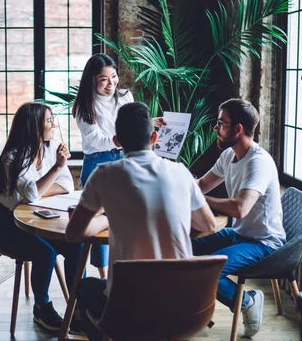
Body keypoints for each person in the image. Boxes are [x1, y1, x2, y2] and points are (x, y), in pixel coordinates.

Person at [66, 102, 216, 340]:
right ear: (154, 137)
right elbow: (208, 226)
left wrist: (108, 218)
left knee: (85, 288)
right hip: (185, 309)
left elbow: (73, 233)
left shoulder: (104, 175)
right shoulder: (181, 172)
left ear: (117, 141)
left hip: (127, 310)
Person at [193, 98, 286, 338]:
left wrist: (200, 201)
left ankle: (247, 301)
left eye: (220, 123)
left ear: (238, 129)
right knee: (181, 247)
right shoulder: (228, 156)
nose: (215, 128)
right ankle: (191, 310)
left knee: (206, 271)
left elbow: (240, 208)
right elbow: (201, 185)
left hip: (264, 243)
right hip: (240, 234)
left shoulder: (258, 162)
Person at [0, 102, 82, 332]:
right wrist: (56, 170)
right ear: (34, 126)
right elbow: (33, 192)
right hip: (7, 222)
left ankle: (79, 307)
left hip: (36, 215)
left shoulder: (49, 148)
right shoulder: (13, 157)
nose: (54, 125)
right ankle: (42, 307)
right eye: (49, 120)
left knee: (76, 244)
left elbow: (66, 186)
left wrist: (38, 193)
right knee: (46, 253)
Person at [72, 53, 163, 278]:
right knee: (95, 219)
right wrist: (125, 136)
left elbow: (131, 123)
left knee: (123, 216)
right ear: (92, 80)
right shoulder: (84, 106)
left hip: (124, 155)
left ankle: (121, 268)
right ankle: (100, 274)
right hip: (97, 160)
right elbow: (96, 139)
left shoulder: (125, 96)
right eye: (103, 79)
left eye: (113, 77)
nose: (111, 83)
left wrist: (147, 124)